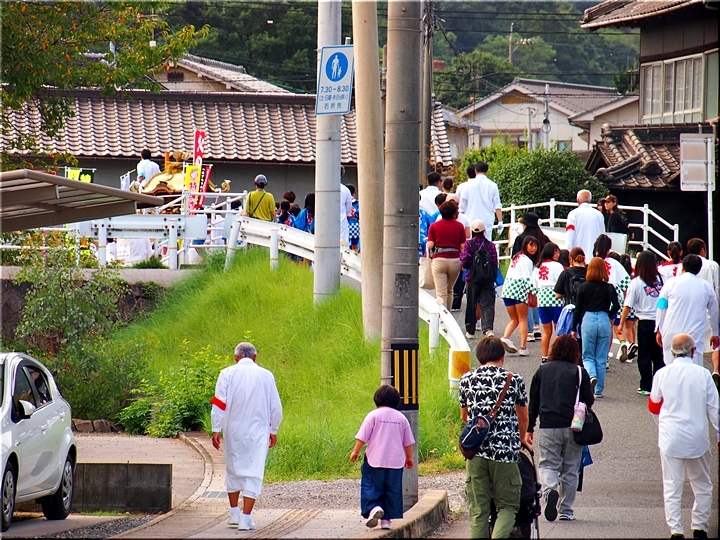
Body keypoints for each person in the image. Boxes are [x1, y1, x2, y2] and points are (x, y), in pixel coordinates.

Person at [648, 333, 719, 539]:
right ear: (693, 351)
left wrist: (663, 426)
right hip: (697, 437)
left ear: (672, 352)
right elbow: (715, 409)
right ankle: (699, 526)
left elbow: (653, 406)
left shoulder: (662, 374)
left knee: (672, 485)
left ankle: (676, 529)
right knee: (702, 485)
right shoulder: (703, 374)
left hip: (670, 438)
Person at [459, 336, 529, 539]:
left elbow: (464, 416)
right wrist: (520, 438)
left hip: (476, 452)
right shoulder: (514, 380)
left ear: (479, 357)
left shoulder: (467, 380)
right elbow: (523, 416)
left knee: (478, 510)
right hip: (505, 452)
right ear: (502, 356)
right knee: (507, 506)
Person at [211, 342, 283, 531]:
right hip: (258, 431)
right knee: (253, 470)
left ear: (236, 357)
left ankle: (234, 513)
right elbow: (276, 407)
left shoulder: (226, 373)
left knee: (233, 468)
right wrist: (273, 429)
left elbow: (219, 403)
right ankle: (246, 518)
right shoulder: (266, 375)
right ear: (255, 357)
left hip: (233, 430)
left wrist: (216, 428)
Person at [526, 335, 594, 523]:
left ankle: (550, 490)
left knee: (548, 464)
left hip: (549, 425)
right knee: (571, 469)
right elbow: (589, 400)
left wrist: (529, 428)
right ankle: (566, 510)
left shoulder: (542, 371)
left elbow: (533, 402)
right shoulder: (579, 372)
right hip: (574, 426)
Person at [350, 385, 415, 530]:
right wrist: (409, 458)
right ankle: (386, 521)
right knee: (392, 490)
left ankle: (374, 507)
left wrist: (355, 451)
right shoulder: (401, 418)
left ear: (377, 399)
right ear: (396, 400)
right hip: (396, 462)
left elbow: (362, 437)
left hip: (375, 460)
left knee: (371, 485)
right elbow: (408, 442)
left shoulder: (373, 415)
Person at [655, 254, 719, 367]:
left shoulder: (670, 283)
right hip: (694, 335)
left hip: (671, 332)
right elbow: (714, 312)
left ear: (683, 266)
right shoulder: (706, 286)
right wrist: (715, 333)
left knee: (670, 366)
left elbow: (661, 306)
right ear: (699, 269)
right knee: (694, 367)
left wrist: (660, 329)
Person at [618, 251, 665, 396]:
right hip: (661, 322)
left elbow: (628, 305)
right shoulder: (662, 280)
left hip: (645, 323)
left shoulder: (637, 282)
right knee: (659, 355)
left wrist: (621, 323)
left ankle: (646, 385)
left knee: (645, 354)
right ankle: (658, 385)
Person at [572, 257, 620, 398]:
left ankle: (591, 376)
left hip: (588, 318)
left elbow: (578, 309)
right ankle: (599, 390)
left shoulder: (583, 287)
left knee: (588, 356)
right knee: (601, 357)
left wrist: (574, 328)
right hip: (604, 319)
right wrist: (608, 314)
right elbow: (616, 306)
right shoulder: (609, 288)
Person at [593, 234, 632, 362]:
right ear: (609, 248)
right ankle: (604, 358)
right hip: (612, 298)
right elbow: (626, 284)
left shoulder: (592, 262)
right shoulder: (615, 264)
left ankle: (594, 356)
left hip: (594, 298)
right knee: (608, 329)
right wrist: (627, 303)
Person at [500, 236, 539, 357]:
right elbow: (528, 280)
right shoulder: (527, 261)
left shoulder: (516, 257)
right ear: (525, 245)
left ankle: (505, 337)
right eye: (531, 245)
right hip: (519, 290)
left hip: (507, 290)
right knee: (523, 319)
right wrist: (534, 295)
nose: (534, 248)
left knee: (514, 319)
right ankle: (523, 347)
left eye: (535, 246)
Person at [460, 219, 498, 339]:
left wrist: (469, 267)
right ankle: (488, 329)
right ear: (484, 230)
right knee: (487, 304)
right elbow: (494, 263)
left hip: (472, 278)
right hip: (487, 279)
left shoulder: (468, 244)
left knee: (471, 304)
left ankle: (470, 331)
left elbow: (464, 260)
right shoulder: (490, 245)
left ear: (472, 231)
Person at [427, 201, 466, 311]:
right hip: (455, 261)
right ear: (454, 212)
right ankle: (448, 314)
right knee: (450, 290)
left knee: (441, 293)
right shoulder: (459, 226)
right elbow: (462, 247)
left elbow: (430, 245)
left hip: (439, 260)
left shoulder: (434, 226)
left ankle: (443, 318)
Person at [531, 242, 565, 363]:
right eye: (556, 252)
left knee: (546, 331)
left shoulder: (538, 267)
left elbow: (533, 285)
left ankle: (544, 357)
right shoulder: (557, 266)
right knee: (559, 330)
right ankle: (558, 356)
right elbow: (561, 283)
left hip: (542, 299)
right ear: (550, 252)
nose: (558, 254)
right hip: (555, 299)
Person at [459, 161, 504, 242]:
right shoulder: (492, 185)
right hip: (487, 220)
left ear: (475, 170)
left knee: (470, 243)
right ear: (487, 171)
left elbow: (462, 205)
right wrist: (500, 221)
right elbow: (497, 205)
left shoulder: (467, 185)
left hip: (470, 219)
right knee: (486, 243)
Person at [565, 190, 605, 262]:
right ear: (590, 200)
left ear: (578, 200)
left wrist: (569, 251)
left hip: (578, 256)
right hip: (594, 257)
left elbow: (569, 234)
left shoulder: (573, 214)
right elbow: (602, 235)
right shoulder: (599, 214)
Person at [346, 184, 360, 252]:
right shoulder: (357, 203)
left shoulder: (343, 202)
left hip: (345, 225)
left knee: (344, 245)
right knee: (355, 246)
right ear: (354, 192)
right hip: (355, 225)